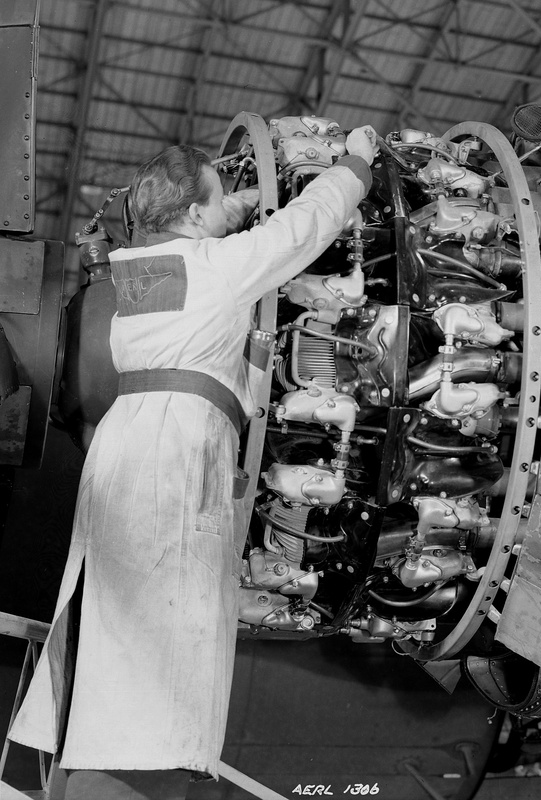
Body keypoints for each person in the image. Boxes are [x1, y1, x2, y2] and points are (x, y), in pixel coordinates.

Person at [9, 126, 378, 800]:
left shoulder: (146, 272)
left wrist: (224, 204)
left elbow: (208, 225)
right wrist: (357, 162)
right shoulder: (216, 269)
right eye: (216, 205)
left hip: (126, 452)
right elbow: (304, 228)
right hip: (174, 459)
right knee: (155, 678)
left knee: (110, 657)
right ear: (195, 216)